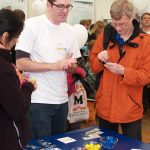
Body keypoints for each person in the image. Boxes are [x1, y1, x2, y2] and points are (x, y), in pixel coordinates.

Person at [15, 0, 80, 139]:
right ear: (49, 5)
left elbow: (74, 66)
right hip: (38, 99)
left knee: (60, 144)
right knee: (40, 146)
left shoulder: (69, 30)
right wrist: (55, 66)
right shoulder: (32, 25)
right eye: (60, 6)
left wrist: (69, 66)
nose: (65, 10)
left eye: (68, 6)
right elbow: (20, 62)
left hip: (62, 99)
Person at [90, 0, 150, 140]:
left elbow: (146, 75)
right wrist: (99, 58)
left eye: (122, 24)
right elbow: (93, 66)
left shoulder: (145, 42)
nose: (118, 28)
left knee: (133, 147)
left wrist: (124, 71)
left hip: (130, 110)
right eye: (114, 24)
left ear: (132, 17)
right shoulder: (105, 35)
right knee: (106, 146)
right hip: (105, 107)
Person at [0, 9, 35, 150]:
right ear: (5, 36)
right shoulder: (4, 68)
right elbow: (18, 109)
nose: (17, 41)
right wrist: (28, 87)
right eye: (16, 36)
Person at [140, 12, 150, 112]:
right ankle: (143, 106)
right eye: (145, 18)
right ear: (141, 21)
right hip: (141, 63)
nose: (147, 20)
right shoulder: (137, 34)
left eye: (149, 18)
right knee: (142, 87)